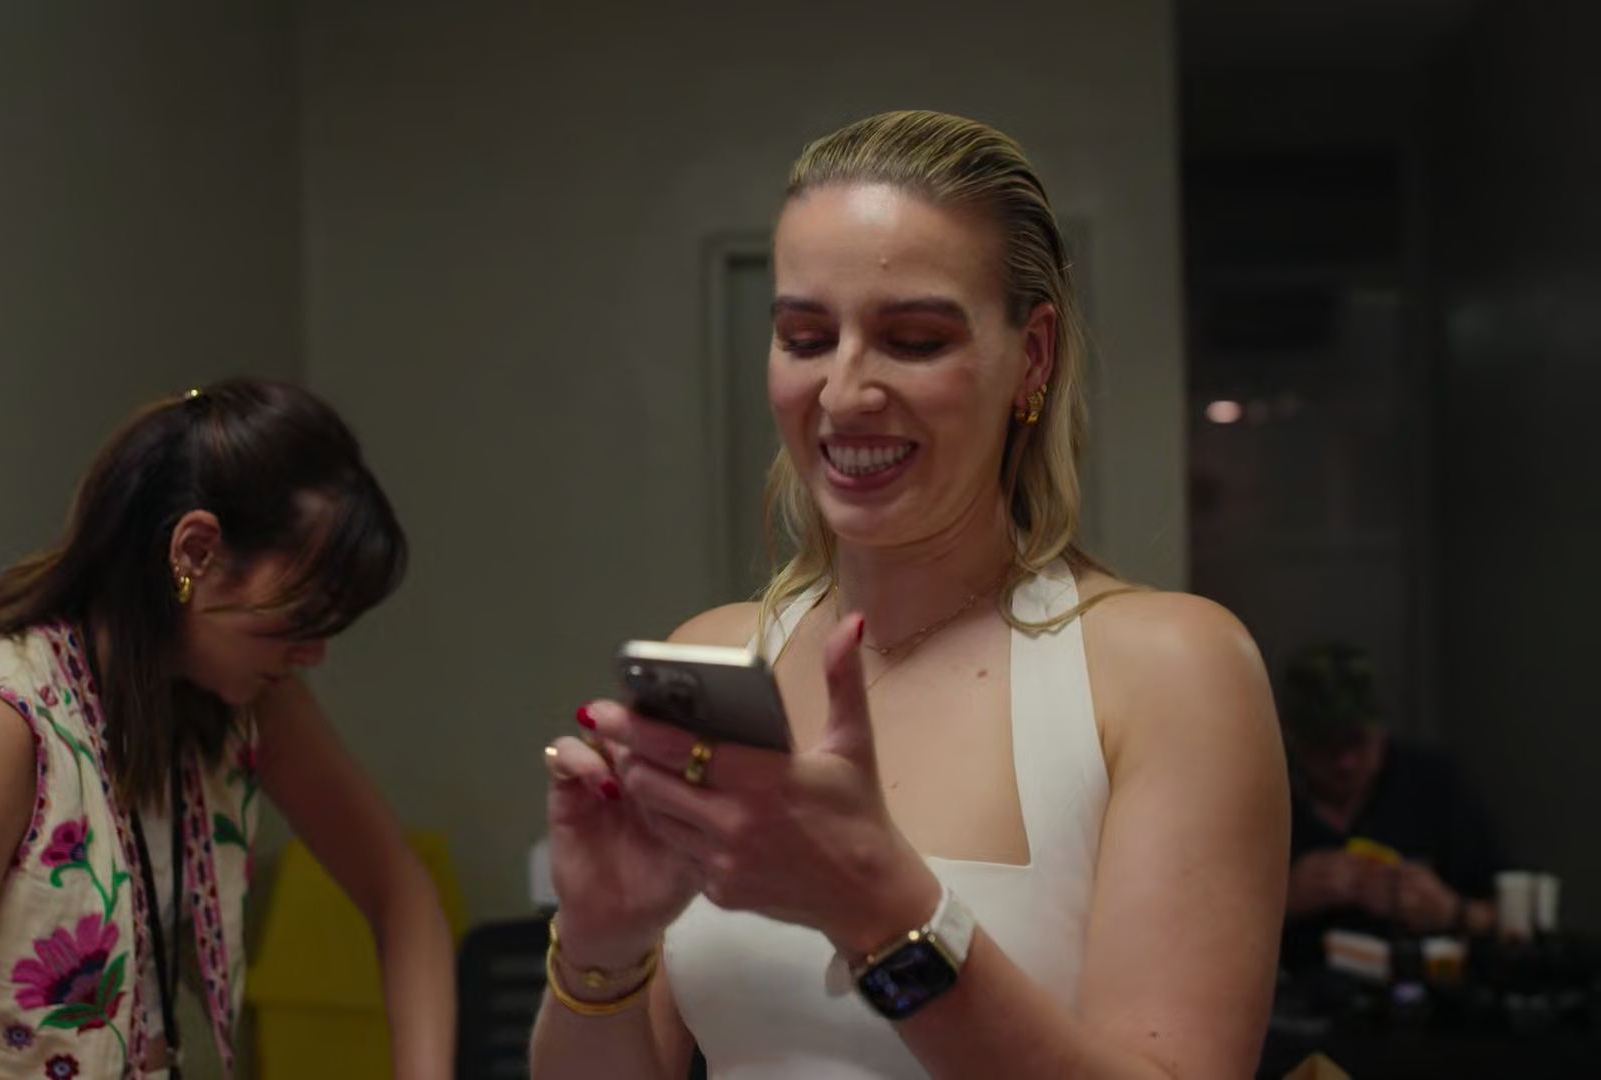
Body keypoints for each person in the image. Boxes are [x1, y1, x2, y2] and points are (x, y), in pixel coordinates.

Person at [533, 110, 1291, 1079]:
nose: (844, 393)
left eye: (916, 340)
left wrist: (884, 914)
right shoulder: (720, 660)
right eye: (806, 337)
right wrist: (600, 946)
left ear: (1034, 356)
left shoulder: (1168, 671)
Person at [0, 379, 455, 1080]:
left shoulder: (246, 696)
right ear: (195, 553)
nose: (313, 655)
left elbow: (403, 897)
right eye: (298, 620)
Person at [1279, 642, 1502, 972]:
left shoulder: (1434, 783)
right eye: (1325, 746)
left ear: (1380, 728)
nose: (1345, 763)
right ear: (1293, 739)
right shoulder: (1266, 796)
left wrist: (1451, 911)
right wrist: (1284, 900)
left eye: (1357, 741)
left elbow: (1509, 917)